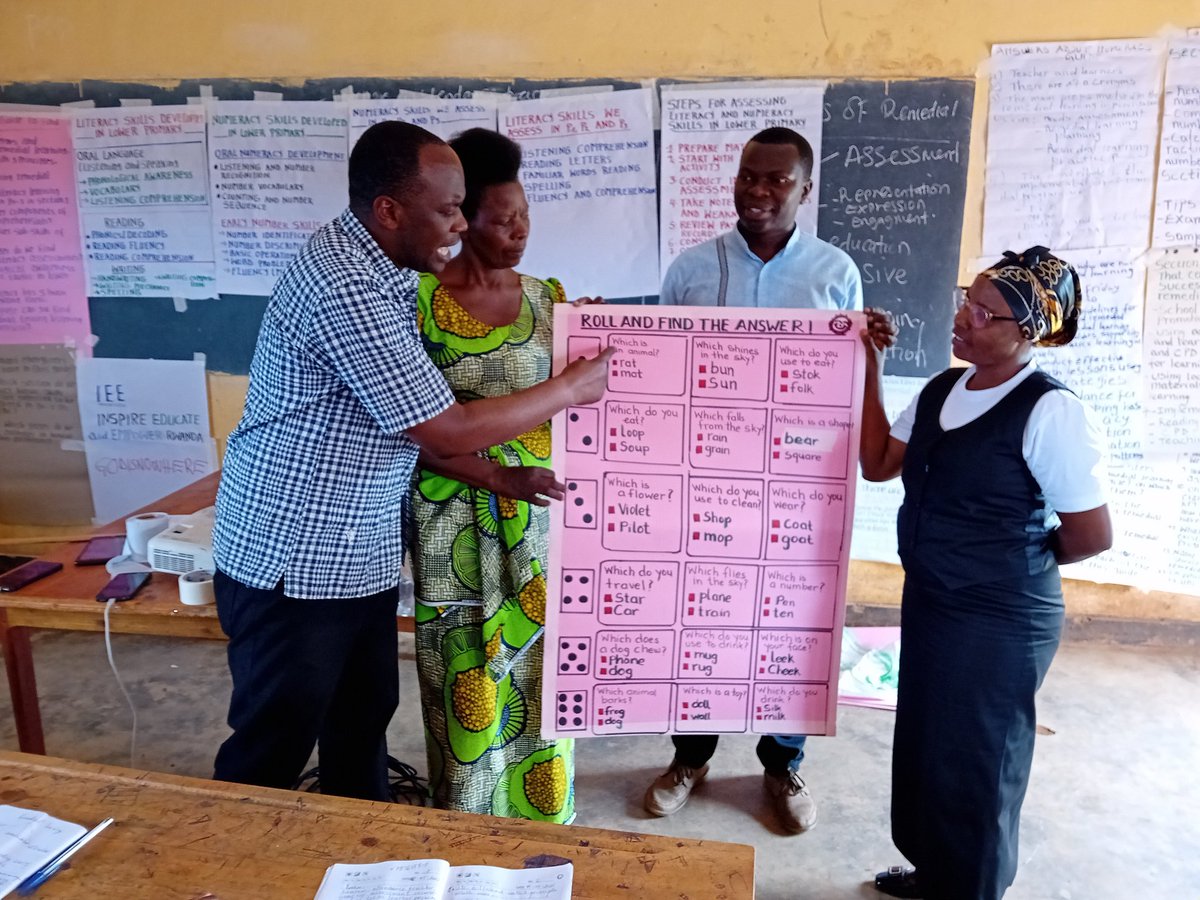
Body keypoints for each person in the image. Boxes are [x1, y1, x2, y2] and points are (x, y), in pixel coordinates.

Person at [211, 121, 612, 802]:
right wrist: (569, 389)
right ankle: (228, 865)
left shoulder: (389, 265)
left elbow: (405, 426)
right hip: (297, 560)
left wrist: (497, 475)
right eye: (448, 209)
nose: (460, 224)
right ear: (389, 210)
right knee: (274, 739)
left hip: (358, 552)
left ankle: (356, 855)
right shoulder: (348, 287)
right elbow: (444, 426)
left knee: (361, 721)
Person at [648, 125, 896, 834]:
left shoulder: (833, 273)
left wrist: (873, 349)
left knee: (787, 629)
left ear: (805, 190)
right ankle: (690, 754)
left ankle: (781, 762)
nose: (758, 190)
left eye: (776, 180)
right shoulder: (691, 269)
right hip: (705, 483)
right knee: (699, 621)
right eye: (748, 176)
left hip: (797, 490)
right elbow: (661, 370)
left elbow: (849, 381)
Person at [860, 247, 1112, 899]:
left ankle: (971, 888)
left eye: (983, 312)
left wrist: (1006, 561)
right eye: (963, 301)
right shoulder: (945, 389)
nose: (962, 319)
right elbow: (879, 463)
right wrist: (870, 366)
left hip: (1001, 618)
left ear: (1026, 330)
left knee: (978, 760)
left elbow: (1090, 535)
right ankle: (938, 872)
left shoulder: (1050, 411)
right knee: (927, 743)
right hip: (935, 602)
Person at [408, 128, 583, 822]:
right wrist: (491, 474)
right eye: (501, 219)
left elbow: (595, 400)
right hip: (450, 525)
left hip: (542, 525)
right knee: (466, 680)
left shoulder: (551, 299)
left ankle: (547, 840)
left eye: (525, 216)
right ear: (462, 218)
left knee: (544, 681)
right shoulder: (414, 302)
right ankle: (469, 839)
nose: (518, 232)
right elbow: (411, 431)